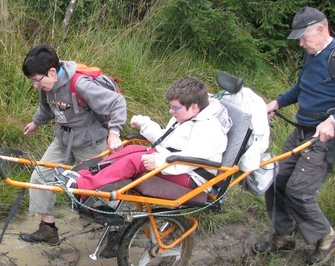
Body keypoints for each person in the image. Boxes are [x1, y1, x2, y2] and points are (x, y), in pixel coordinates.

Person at [253, 6, 335, 265]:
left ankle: (328, 238)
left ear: (321, 29)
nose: (301, 43)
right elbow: (301, 87)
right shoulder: (312, 54)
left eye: (304, 37)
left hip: (324, 138)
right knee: (274, 180)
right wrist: (277, 103)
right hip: (301, 131)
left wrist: (334, 120)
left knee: (299, 191)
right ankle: (283, 235)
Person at [55, 75, 231, 200]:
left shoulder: (209, 129)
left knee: (136, 160)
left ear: (194, 107)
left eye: (174, 108)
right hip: (175, 162)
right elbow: (167, 140)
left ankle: (83, 186)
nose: (171, 111)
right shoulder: (189, 116)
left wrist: (160, 163)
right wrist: (146, 125)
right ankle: (80, 175)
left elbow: (192, 159)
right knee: (130, 150)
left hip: (192, 177)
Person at [19, 44, 127, 246]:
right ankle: (48, 229)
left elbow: (117, 103)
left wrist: (114, 134)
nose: (35, 85)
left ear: (52, 71)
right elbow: (47, 108)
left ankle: (117, 234)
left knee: (101, 187)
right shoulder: (48, 85)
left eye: (36, 80)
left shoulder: (81, 85)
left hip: (90, 142)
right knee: (39, 177)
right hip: (63, 139)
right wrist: (35, 123)